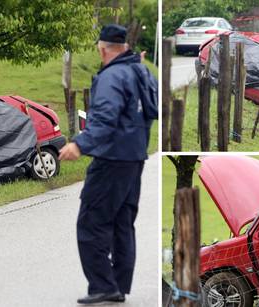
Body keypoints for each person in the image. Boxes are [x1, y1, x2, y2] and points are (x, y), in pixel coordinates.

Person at [59, 24, 157, 305]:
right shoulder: (141, 71)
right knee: (123, 223)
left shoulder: (112, 76)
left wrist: (80, 144)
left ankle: (103, 285)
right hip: (135, 158)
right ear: (124, 47)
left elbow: (104, 117)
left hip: (112, 159)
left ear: (102, 49)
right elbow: (153, 109)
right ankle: (118, 286)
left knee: (91, 222)